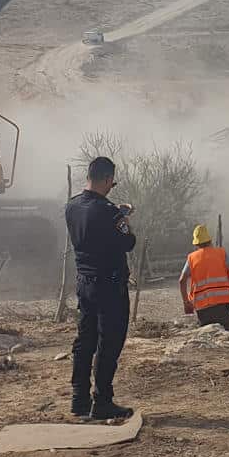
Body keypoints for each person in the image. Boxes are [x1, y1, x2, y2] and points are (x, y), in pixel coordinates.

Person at [66, 155, 137, 420]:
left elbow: (92, 221)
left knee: (85, 342)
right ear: (107, 179)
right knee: (109, 344)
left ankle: (79, 399)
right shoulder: (110, 213)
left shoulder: (71, 207)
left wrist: (115, 211)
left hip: (84, 284)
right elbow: (128, 242)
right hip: (110, 286)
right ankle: (103, 400)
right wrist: (122, 217)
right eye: (112, 182)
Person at [179, 224, 229, 330]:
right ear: (210, 240)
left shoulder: (192, 258)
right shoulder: (221, 253)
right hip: (224, 303)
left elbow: (182, 280)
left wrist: (186, 303)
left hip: (202, 306)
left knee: (207, 335)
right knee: (225, 335)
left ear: (197, 243)